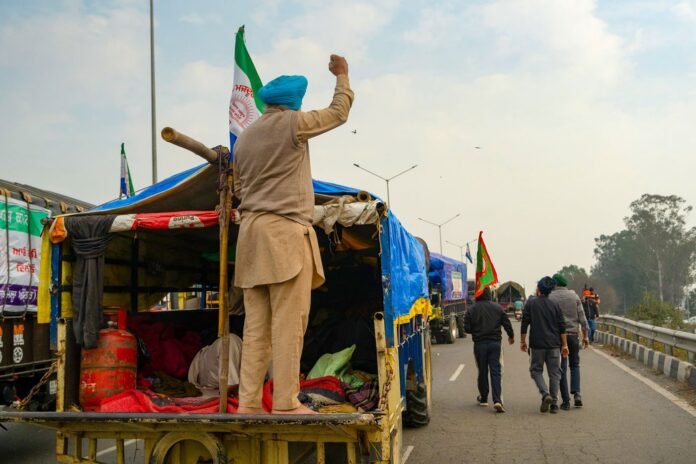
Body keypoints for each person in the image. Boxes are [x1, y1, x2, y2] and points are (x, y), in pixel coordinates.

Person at [233, 55, 354, 415]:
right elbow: (338, 113)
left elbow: (240, 189)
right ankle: (286, 401)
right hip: (284, 236)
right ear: (292, 104)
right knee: (289, 325)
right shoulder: (291, 124)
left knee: (256, 329)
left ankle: (248, 404)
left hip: (251, 239)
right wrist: (342, 76)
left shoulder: (244, 138)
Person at [520, 276, 569, 414]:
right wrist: (564, 345)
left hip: (537, 345)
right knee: (555, 373)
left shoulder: (531, 304)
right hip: (554, 345)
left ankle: (545, 393)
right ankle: (554, 404)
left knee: (536, 371)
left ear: (539, 289)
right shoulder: (555, 305)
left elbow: (525, 324)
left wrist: (522, 341)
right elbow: (562, 326)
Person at [464, 287, 515, 413]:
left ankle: (484, 399)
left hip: (479, 344)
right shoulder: (498, 308)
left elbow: (467, 329)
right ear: (489, 295)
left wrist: (476, 329)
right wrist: (511, 335)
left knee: (482, 371)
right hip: (495, 344)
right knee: (495, 371)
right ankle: (497, 400)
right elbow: (507, 323)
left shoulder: (471, 310)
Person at [550, 273, 589, 410]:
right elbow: (583, 319)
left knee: (561, 368)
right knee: (575, 365)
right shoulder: (574, 296)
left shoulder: (550, 297)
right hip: (573, 335)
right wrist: (585, 336)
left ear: (554, 284)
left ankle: (565, 401)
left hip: (558, 337)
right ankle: (577, 394)